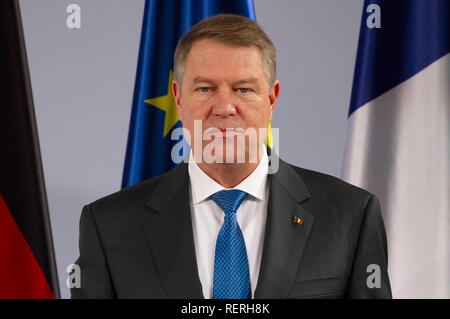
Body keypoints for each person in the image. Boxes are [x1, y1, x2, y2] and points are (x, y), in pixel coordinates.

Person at [71, 14, 392, 299]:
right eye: (205, 89)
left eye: (243, 89)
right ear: (178, 99)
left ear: (272, 98)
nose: (224, 108)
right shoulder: (108, 225)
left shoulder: (350, 216)